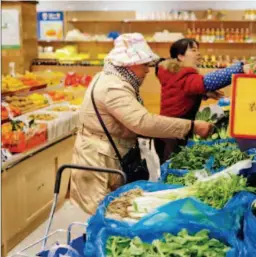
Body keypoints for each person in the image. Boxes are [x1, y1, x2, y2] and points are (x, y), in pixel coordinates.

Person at [70, 33, 213, 214]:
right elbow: (142, 122)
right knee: (102, 214)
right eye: (145, 64)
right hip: (97, 159)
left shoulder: (118, 80)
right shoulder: (113, 87)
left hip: (108, 153)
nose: (147, 70)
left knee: (114, 209)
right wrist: (191, 126)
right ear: (130, 64)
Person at [154, 38, 244, 163]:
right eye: (193, 50)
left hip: (168, 129)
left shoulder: (172, 72)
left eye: (198, 50)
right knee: (172, 165)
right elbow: (206, 82)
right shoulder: (183, 74)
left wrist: (204, 93)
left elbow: (181, 92)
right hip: (173, 133)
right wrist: (240, 68)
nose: (198, 53)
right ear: (180, 56)